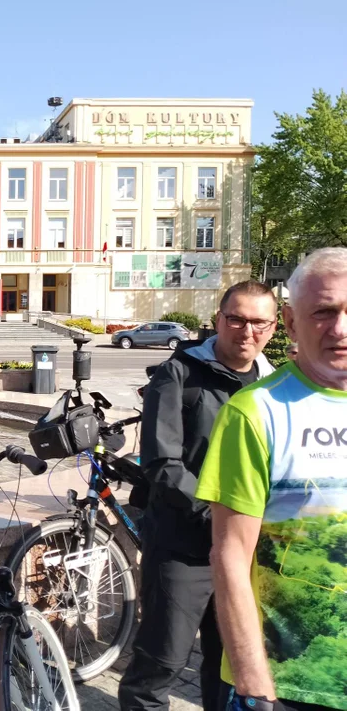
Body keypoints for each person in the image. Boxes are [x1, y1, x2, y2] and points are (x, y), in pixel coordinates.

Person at [196, 248, 347, 711]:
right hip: (293, 682)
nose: (340, 328)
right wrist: (254, 681)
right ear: (292, 321)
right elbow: (230, 555)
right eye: (323, 312)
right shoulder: (255, 412)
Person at [119, 281, 277, 711]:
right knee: (160, 665)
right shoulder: (179, 374)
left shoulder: (272, 384)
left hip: (245, 554)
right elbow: (162, 463)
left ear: (274, 327)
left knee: (229, 667)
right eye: (236, 319)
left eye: (259, 322)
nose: (247, 331)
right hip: (183, 548)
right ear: (218, 320)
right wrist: (220, 517)